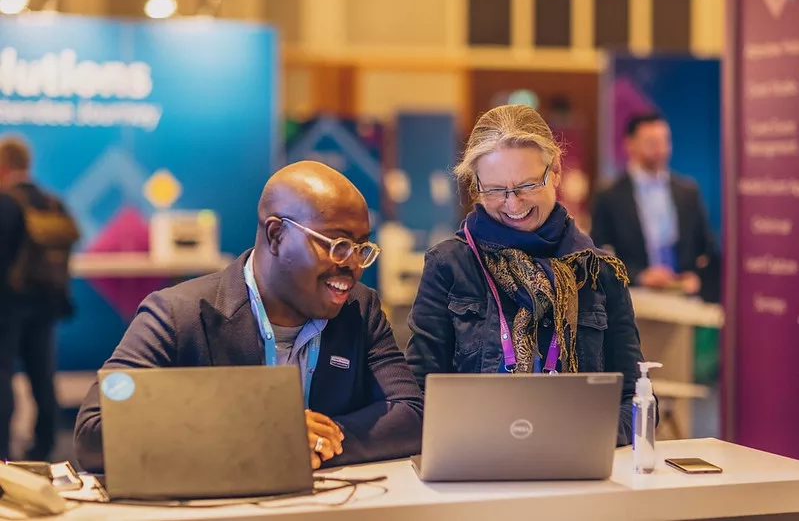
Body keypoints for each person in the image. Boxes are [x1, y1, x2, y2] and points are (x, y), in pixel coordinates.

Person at [74, 161, 423, 473]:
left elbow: (410, 415)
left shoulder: (359, 310)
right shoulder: (177, 315)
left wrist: (317, 441)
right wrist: (260, 435)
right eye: (337, 245)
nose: (352, 265)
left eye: (361, 248)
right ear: (276, 235)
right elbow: (96, 431)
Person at [405, 105, 650, 446]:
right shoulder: (450, 265)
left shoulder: (599, 272)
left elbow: (633, 396)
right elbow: (419, 392)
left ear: (557, 172)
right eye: (494, 190)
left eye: (527, 185)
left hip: (578, 467)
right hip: (476, 462)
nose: (513, 204)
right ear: (476, 186)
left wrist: (587, 438)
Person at [0, 135, 79, 461]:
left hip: (7, 305)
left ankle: (2, 450)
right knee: (43, 377)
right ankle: (45, 447)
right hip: (47, 303)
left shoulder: (5, 203)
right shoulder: (51, 202)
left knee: (2, 376)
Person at [590, 113, 717, 298]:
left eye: (664, 141)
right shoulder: (610, 195)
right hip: (634, 299)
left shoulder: (687, 192)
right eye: (651, 142)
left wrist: (697, 277)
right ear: (630, 144)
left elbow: (707, 247)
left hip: (683, 297)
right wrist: (640, 276)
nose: (660, 149)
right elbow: (598, 255)